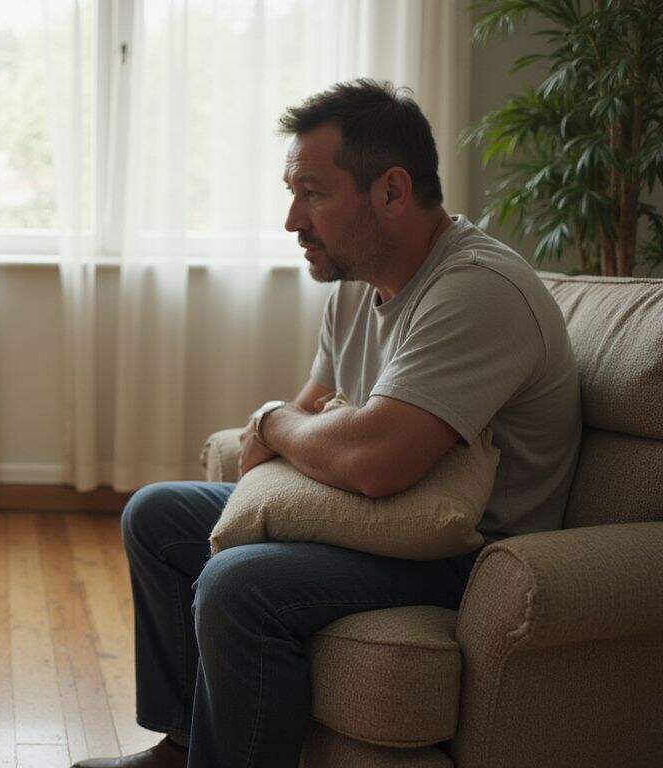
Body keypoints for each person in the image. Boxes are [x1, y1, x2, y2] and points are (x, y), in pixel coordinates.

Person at [73, 79, 581, 768]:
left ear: (392, 193)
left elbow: (372, 460)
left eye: (311, 192)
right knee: (158, 515)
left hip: (467, 555)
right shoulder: (356, 290)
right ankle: (181, 744)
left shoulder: (477, 291)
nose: (290, 220)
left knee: (238, 584)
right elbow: (304, 433)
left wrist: (276, 422)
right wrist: (288, 430)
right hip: (376, 526)